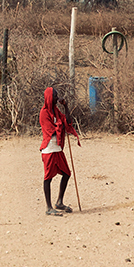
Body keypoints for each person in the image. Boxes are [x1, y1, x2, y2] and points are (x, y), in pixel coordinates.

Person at [39, 87, 76, 216]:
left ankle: (59, 202)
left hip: (58, 148)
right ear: (49, 98)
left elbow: (68, 122)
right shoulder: (44, 113)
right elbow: (52, 131)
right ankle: (49, 207)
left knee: (66, 173)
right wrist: (62, 124)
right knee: (48, 178)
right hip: (49, 149)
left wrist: (66, 107)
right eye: (55, 96)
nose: (57, 98)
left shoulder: (56, 111)